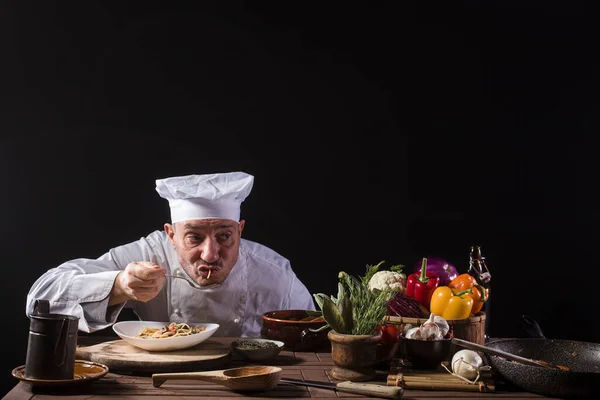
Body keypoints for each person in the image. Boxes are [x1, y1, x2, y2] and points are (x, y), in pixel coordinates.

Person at [26, 171, 315, 337]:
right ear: (171, 235)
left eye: (225, 236)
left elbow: (316, 337)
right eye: (194, 237)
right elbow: (41, 299)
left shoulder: (275, 274)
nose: (211, 254)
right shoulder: (148, 255)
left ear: (240, 230)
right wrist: (118, 286)